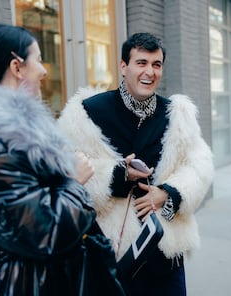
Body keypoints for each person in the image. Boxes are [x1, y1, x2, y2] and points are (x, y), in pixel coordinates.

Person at [0, 23, 124, 296]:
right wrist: (73, 183)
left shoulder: (9, 135)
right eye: (39, 59)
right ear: (17, 67)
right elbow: (43, 231)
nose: (44, 70)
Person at [57, 32, 214, 295]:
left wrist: (167, 193)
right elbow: (68, 172)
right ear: (123, 66)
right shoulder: (88, 112)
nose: (149, 72)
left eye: (156, 64)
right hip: (109, 252)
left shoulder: (176, 115)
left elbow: (199, 166)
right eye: (141, 63)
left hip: (163, 250)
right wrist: (118, 175)